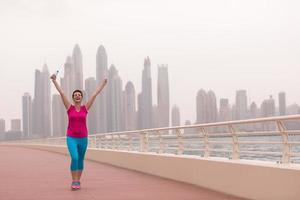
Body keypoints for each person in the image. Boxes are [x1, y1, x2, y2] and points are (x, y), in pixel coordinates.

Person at [50, 73, 107, 190]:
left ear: (81, 97)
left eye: (79, 95)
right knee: (74, 158)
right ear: (73, 97)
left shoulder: (85, 108)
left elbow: (94, 94)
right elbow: (62, 93)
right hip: (71, 137)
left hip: (83, 138)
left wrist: (103, 83)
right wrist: (54, 81)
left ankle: (78, 181)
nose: (77, 96)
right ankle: (74, 180)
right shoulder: (69, 108)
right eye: (75, 95)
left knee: (81, 159)